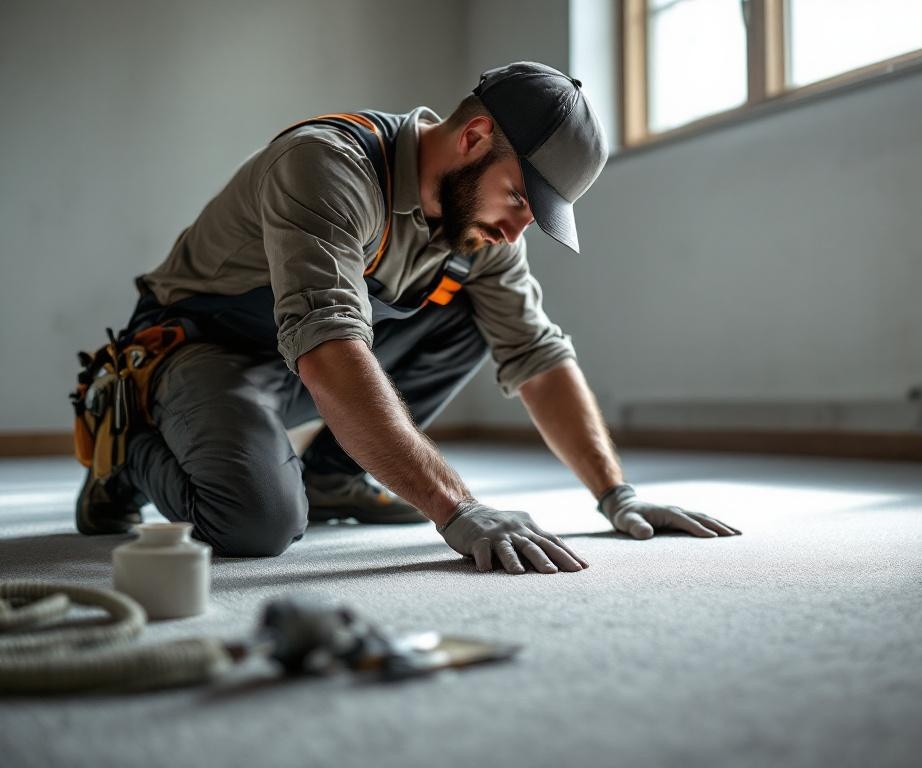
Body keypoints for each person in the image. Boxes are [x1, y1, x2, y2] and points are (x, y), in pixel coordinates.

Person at [75, 61, 741, 573]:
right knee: (257, 525)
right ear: (474, 138)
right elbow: (330, 347)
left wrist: (615, 494)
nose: (515, 232)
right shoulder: (326, 165)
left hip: (306, 361)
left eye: (534, 217)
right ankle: (125, 445)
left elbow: (536, 354)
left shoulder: (482, 233)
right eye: (517, 199)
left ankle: (333, 477)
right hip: (202, 351)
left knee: (471, 317)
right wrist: (457, 508)